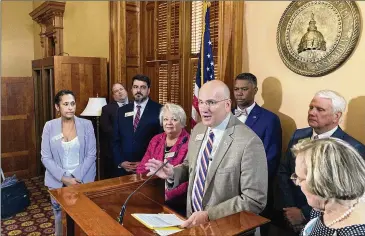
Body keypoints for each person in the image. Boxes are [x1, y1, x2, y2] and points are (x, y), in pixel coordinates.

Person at [145, 80, 268, 228]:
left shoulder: (249, 142)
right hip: (192, 222)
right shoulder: (198, 129)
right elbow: (190, 166)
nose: (203, 109)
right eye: (201, 102)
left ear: (227, 105)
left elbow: (254, 200)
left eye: (211, 102)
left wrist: (209, 215)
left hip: (225, 228)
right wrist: (172, 173)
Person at [277, 90, 365, 234]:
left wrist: (304, 213)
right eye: (311, 107)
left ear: (337, 116)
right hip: (287, 216)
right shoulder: (298, 135)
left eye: (320, 109)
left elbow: (345, 195)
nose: (312, 112)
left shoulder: (352, 148)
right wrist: (289, 207)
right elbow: (284, 171)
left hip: (326, 222)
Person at [41, 90, 96, 236]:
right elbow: (45, 157)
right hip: (57, 181)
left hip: (82, 180)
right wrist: (64, 178)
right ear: (57, 107)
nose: (70, 107)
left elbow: (91, 155)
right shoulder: (49, 126)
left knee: (84, 219)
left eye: (72, 103)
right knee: (60, 220)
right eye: (65, 104)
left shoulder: (87, 124)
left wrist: (75, 178)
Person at [291, 138, 365, 236]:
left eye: (299, 178)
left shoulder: (355, 233)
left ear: (322, 182)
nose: (297, 183)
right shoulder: (321, 207)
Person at [136, 103, 189, 215]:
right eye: (165, 119)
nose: (169, 123)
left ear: (182, 122)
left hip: (176, 202)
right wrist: (145, 191)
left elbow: (189, 178)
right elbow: (142, 167)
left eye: (174, 119)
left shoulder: (189, 142)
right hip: (152, 195)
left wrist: (165, 195)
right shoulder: (156, 140)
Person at [112, 74, 162, 176]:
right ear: (131, 90)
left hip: (148, 169)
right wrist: (121, 162)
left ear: (148, 90)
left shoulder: (159, 110)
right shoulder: (121, 111)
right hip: (124, 170)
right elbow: (115, 140)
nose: (138, 90)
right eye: (135, 87)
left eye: (142, 87)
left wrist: (144, 163)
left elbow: (161, 143)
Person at [100, 83, 129, 178]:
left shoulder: (137, 105)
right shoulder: (107, 109)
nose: (120, 92)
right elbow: (106, 129)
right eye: (116, 91)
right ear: (113, 96)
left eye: (121, 89)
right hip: (116, 151)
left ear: (126, 91)